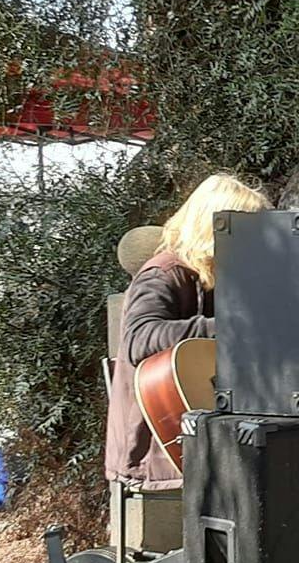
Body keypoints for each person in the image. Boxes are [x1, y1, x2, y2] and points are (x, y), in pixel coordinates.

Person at [104, 172, 271, 487]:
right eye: (247, 230)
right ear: (214, 228)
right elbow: (139, 338)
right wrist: (225, 328)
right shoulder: (163, 274)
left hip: (204, 431)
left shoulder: (219, 276)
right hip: (157, 445)